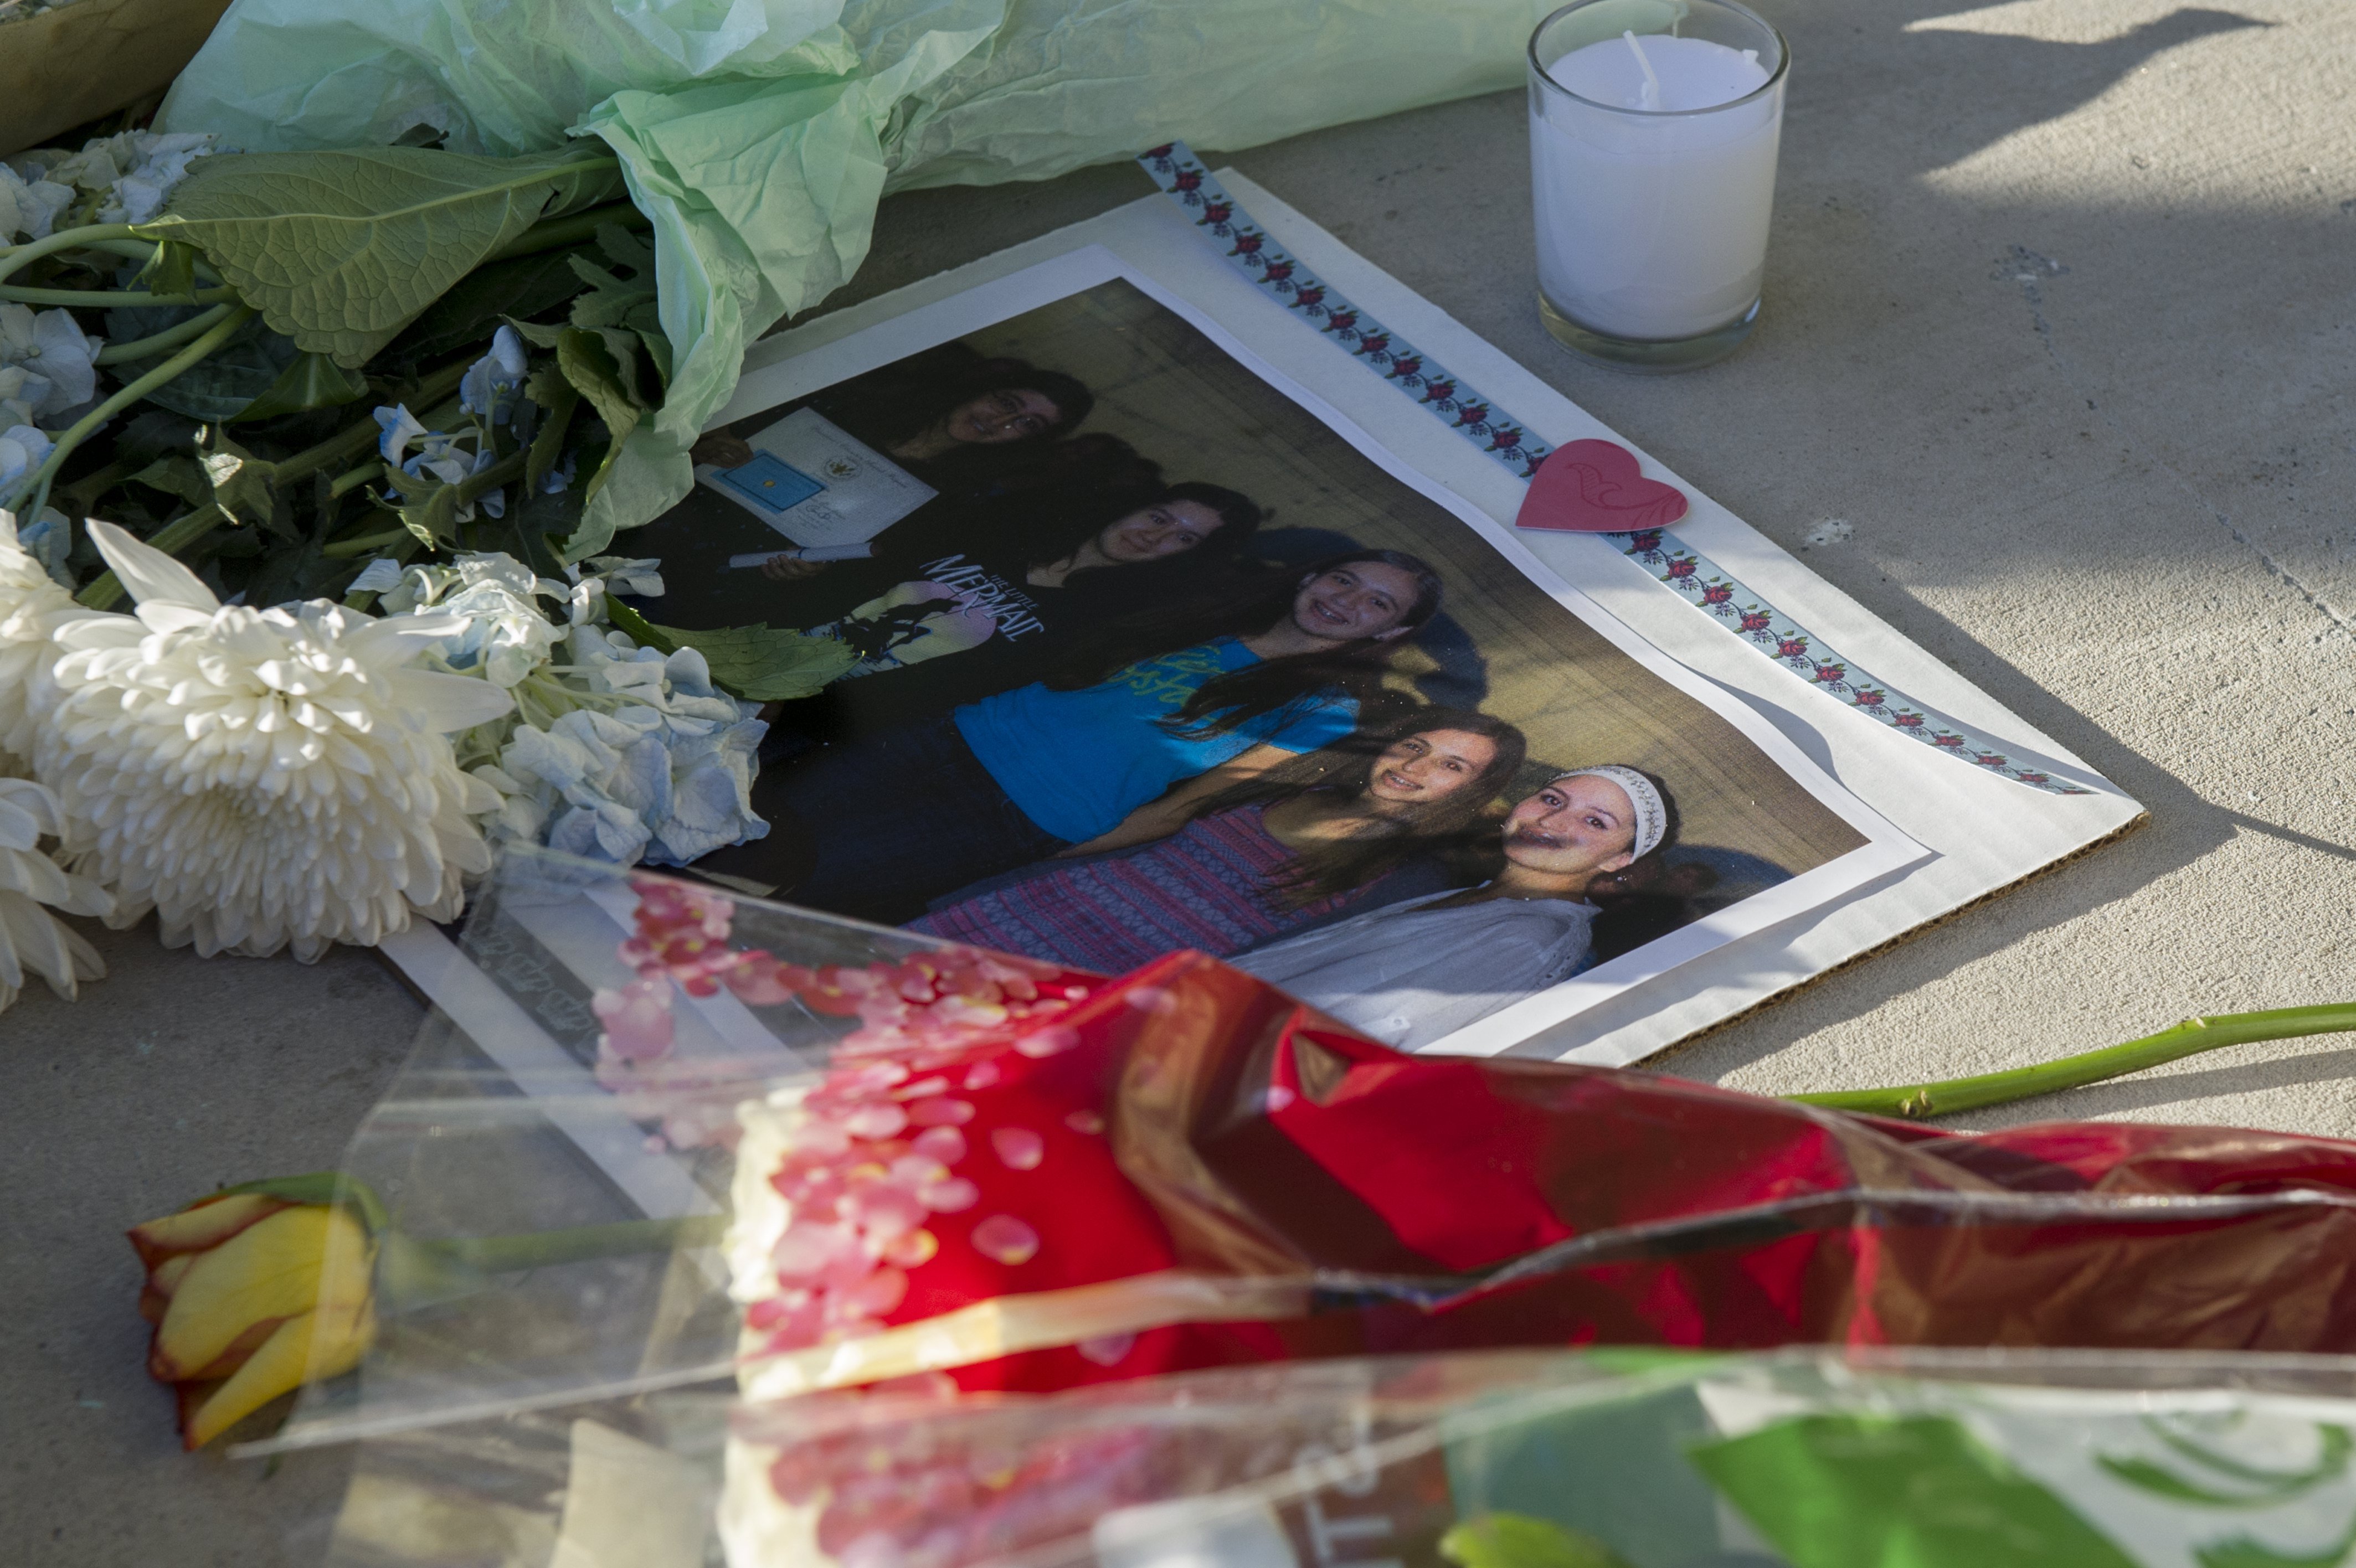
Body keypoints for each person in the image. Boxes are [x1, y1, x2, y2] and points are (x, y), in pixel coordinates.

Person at [688, 550, 1447, 922]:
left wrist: (1049, 854)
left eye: (1377, 602)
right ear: (1313, 577)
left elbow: (1193, 804)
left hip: (1014, 819)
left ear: (1394, 630)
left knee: (784, 893)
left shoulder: (1326, 709)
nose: (1347, 601)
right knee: (726, 826)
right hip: (941, 743)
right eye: (1344, 580)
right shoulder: (1203, 613)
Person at [907, 709, 1527, 972]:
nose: (1415, 769)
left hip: (1101, 977)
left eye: (1451, 767)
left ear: (1471, 793)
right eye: (1414, 746)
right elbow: (1145, 840)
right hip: (1011, 917)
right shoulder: (1282, 788)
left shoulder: (1411, 877)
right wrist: (1005, 882)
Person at [628, 346, 1099, 627]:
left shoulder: (954, 502)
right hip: (649, 520)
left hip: (708, 582)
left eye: (1026, 425)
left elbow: (868, 576)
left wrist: (813, 573)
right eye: (1006, 402)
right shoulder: (848, 403)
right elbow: (701, 432)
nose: (1002, 422)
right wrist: (709, 443)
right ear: (981, 390)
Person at [1230, 765, 1677, 1051]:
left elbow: (1365, 1036)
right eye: (1552, 799)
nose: (1551, 820)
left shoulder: (1530, 937)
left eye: (1596, 821)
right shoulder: (1495, 898)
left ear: (1619, 860)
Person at [779, 481, 1265, 739]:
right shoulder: (1003, 535)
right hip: (775, 649)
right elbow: (871, 574)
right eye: (1159, 517)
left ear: (1190, 556)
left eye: (1183, 538)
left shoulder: (1101, 623)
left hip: (822, 716)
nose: (1153, 536)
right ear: (1134, 506)